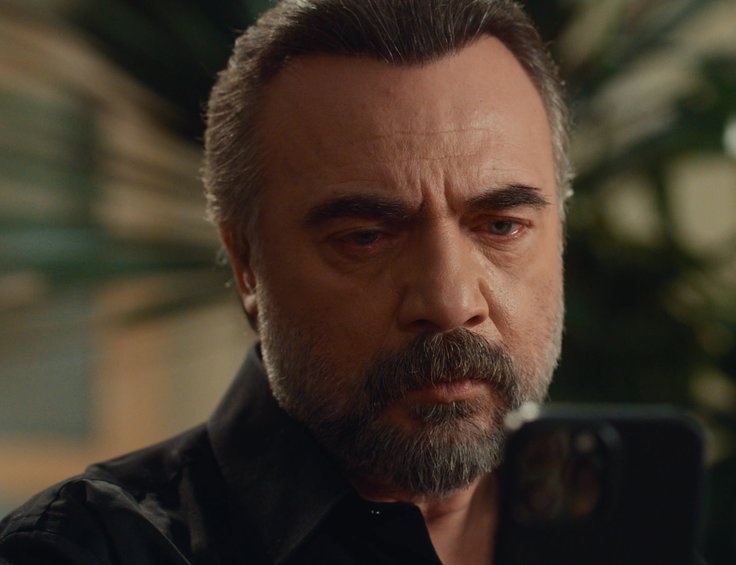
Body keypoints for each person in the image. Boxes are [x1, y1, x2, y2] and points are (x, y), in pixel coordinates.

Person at [0, 0, 570, 563]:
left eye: (502, 226)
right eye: (365, 237)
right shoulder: (83, 552)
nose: (450, 302)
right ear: (247, 264)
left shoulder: (622, 530)